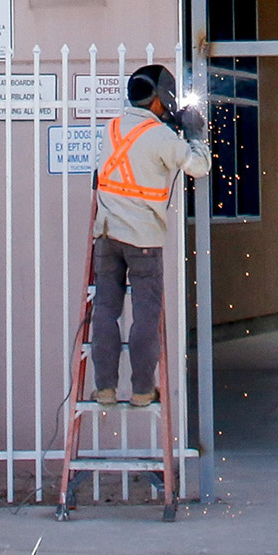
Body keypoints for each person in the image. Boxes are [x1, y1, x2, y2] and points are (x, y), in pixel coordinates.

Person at [90, 64, 211, 407]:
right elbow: (198, 167)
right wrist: (194, 135)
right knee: (145, 314)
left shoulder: (113, 128)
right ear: (160, 99)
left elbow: (137, 149)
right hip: (142, 240)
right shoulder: (161, 137)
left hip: (107, 236)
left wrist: (170, 128)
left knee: (105, 309)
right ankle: (143, 390)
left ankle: (105, 388)